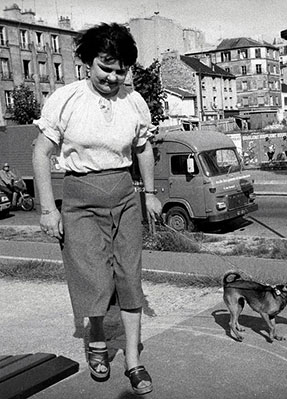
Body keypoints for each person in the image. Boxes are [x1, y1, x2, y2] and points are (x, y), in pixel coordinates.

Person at [32, 23, 162, 396]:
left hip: (123, 196)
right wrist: (47, 210)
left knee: (129, 276)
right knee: (94, 279)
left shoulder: (134, 101)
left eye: (121, 69)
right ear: (88, 62)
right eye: (106, 67)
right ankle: (98, 342)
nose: (113, 76)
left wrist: (150, 193)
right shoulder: (65, 98)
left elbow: (143, 149)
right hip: (80, 199)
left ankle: (134, 360)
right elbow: (41, 153)